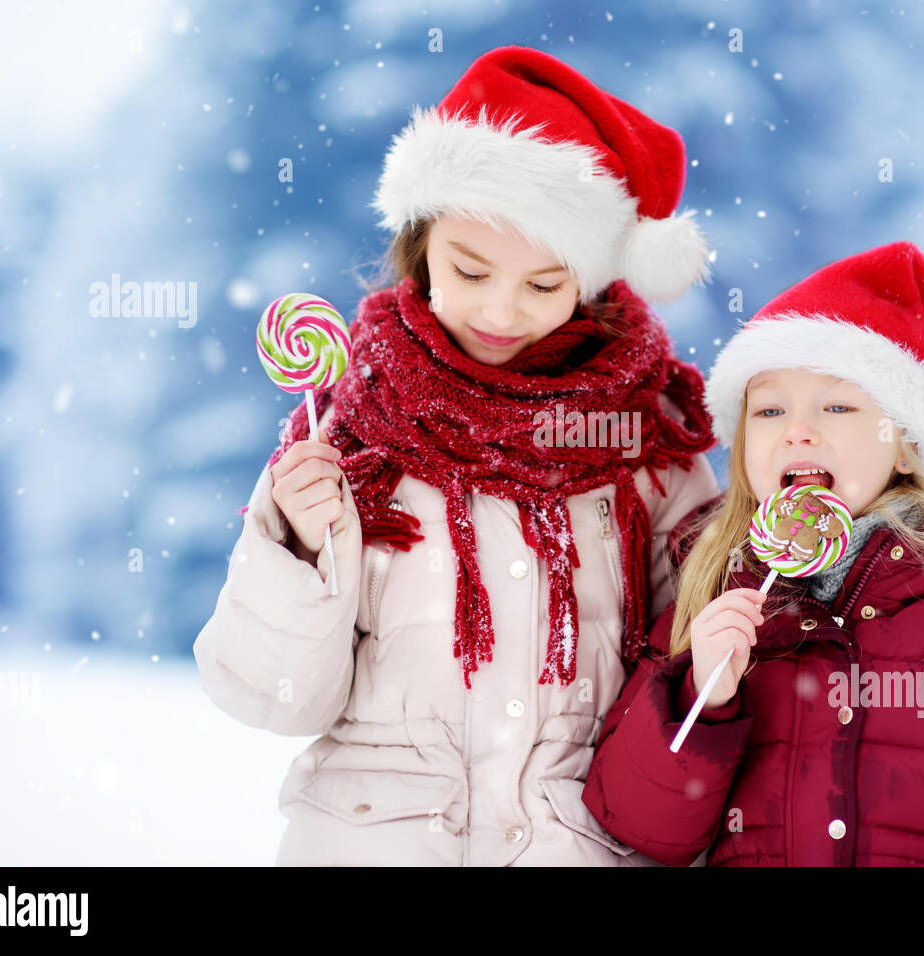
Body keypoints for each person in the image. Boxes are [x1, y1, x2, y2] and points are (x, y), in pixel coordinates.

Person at [193, 45, 720, 865]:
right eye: (470, 271)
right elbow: (272, 696)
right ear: (420, 247)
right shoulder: (352, 431)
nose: (501, 310)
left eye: (543, 285)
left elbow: (685, 690)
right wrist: (299, 546)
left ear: (592, 281)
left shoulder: (646, 445)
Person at [583, 240, 924, 866]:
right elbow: (641, 830)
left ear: (904, 446)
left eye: (838, 405)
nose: (798, 429)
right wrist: (699, 698)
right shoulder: (706, 610)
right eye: (768, 410)